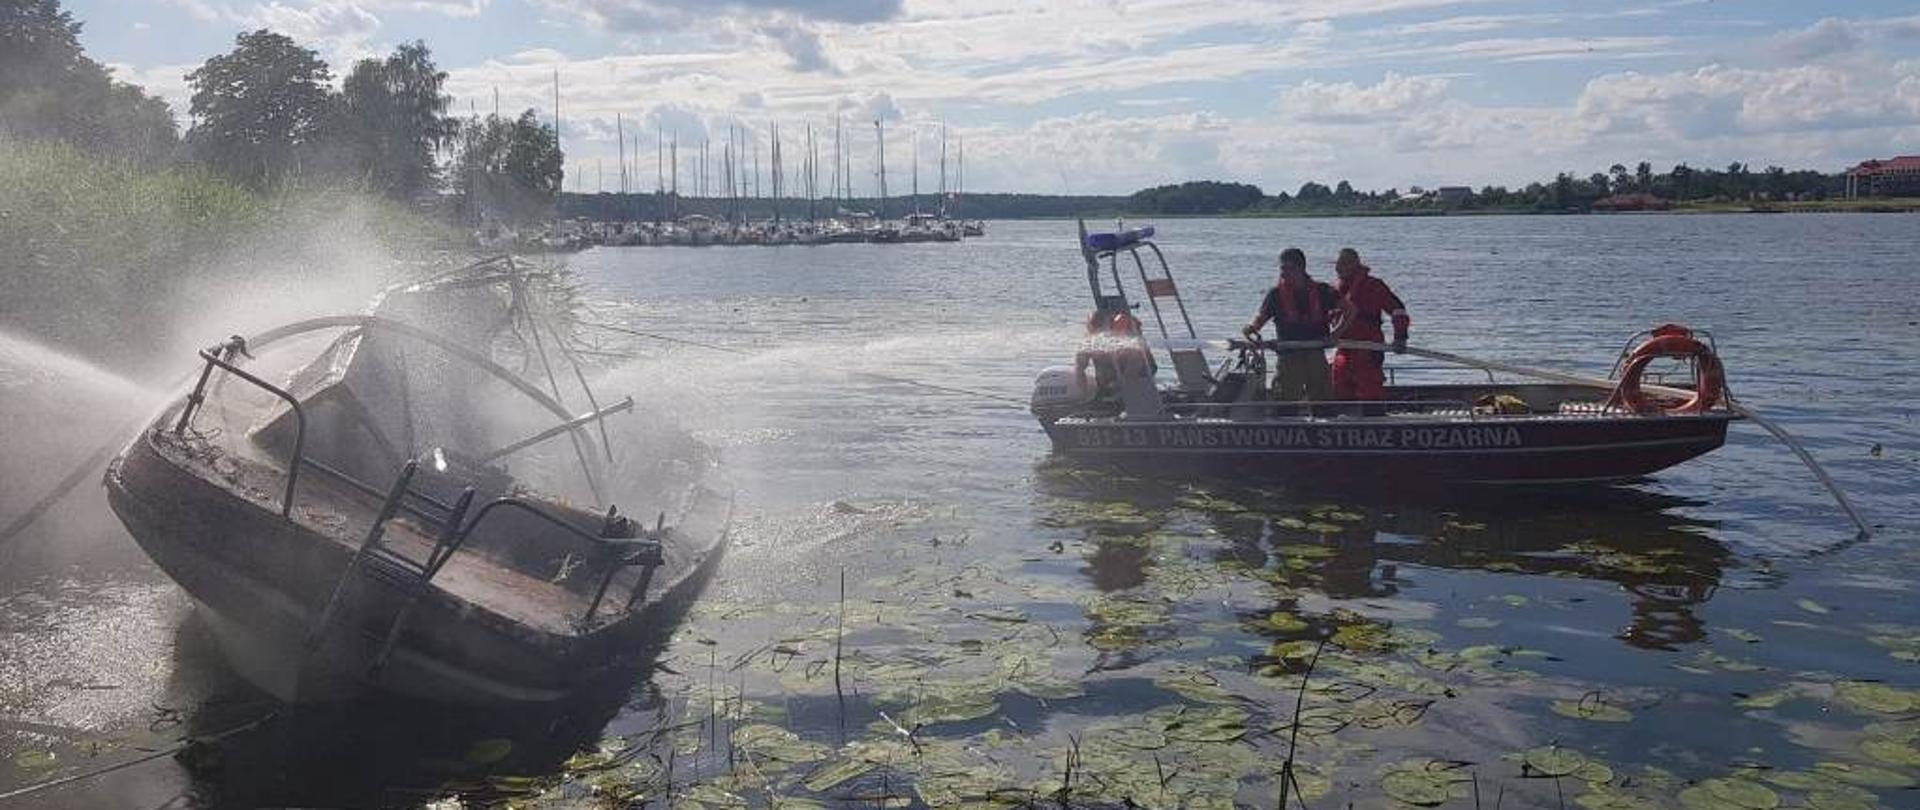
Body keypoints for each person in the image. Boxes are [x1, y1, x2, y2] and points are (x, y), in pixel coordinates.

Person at [1241, 248, 1350, 402]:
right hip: (1288, 354)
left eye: (1287, 268)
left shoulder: (1323, 291)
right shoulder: (1275, 294)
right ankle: (1286, 422)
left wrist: (1336, 334)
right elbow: (1261, 317)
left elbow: (1350, 310)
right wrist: (1251, 328)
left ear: (1300, 268)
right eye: (1281, 268)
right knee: (1286, 397)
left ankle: (1324, 422)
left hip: (1315, 353)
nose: (1283, 273)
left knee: (1322, 397)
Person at [1329, 248, 1410, 404]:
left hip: (1368, 348)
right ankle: (1342, 423)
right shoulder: (1335, 289)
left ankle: (1374, 419)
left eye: (1343, 264)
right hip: (1344, 349)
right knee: (1339, 386)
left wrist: (1400, 337)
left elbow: (1398, 310)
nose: (1338, 268)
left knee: (1369, 389)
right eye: (1337, 264)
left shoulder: (1374, 286)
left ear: (1355, 264)